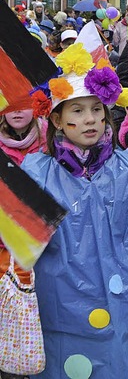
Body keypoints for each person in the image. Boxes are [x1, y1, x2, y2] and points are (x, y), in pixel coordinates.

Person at [20, 44, 128, 378]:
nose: (90, 119)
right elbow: (18, 244)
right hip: (59, 307)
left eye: (96, 110)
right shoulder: (36, 173)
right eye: (77, 111)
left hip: (120, 303)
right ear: (57, 119)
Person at [0, 109, 47, 379]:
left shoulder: (51, 144)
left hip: (46, 260)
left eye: (23, 102)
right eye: (10, 102)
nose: (17, 110)